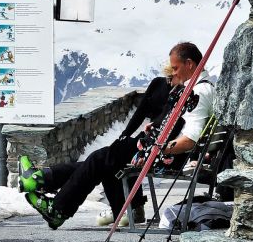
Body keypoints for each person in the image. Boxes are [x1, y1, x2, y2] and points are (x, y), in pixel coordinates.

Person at [19, 42, 213, 229]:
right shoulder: (194, 88)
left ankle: (51, 195)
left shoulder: (198, 92)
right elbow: (180, 124)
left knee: (100, 159)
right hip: (159, 148)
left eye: (176, 68)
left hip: (166, 154)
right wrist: (155, 128)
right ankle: (47, 185)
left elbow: (189, 140)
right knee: (103, 161)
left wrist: (158, 147)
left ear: (190, 64)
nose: (173, 73)